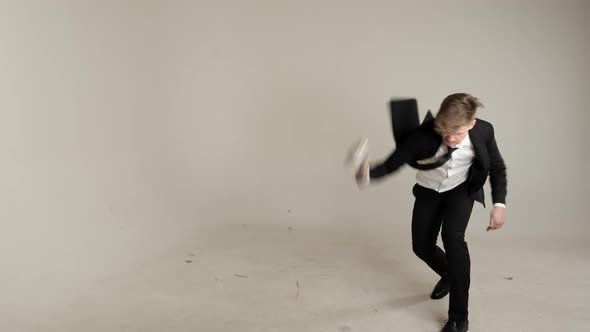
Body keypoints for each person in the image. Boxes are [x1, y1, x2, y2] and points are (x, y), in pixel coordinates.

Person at [355, 93, 507, 332]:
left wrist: (499, 205)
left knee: (453, 238)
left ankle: (459, 318)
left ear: (471, 123)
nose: (451, 139)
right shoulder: (422, 137)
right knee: (421, 245)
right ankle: (450, 274)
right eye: (445, 132)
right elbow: (391, 163)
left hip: (462, 190)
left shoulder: (484, 131)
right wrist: (367, 174)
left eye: (458, 133)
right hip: (429, 192)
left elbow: (497, 167)